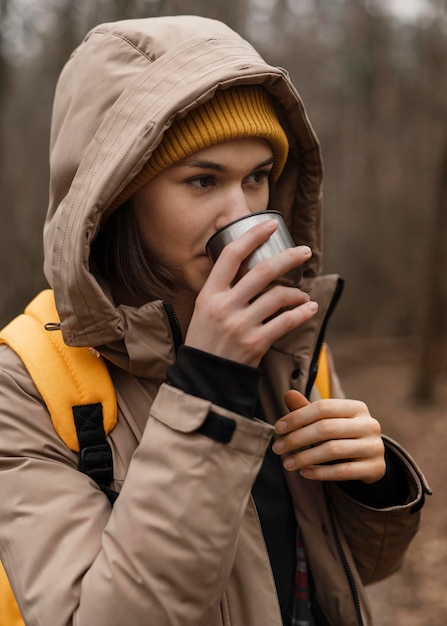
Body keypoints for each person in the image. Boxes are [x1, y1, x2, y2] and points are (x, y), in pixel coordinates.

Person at [0, 15, 430, 626]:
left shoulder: (286, 340)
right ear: (115, 196)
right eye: (202, 180)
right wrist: (208, 387)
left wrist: (370, 486)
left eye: (257, 177)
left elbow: (351, 571)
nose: (246, 216)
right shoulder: (27, 384)